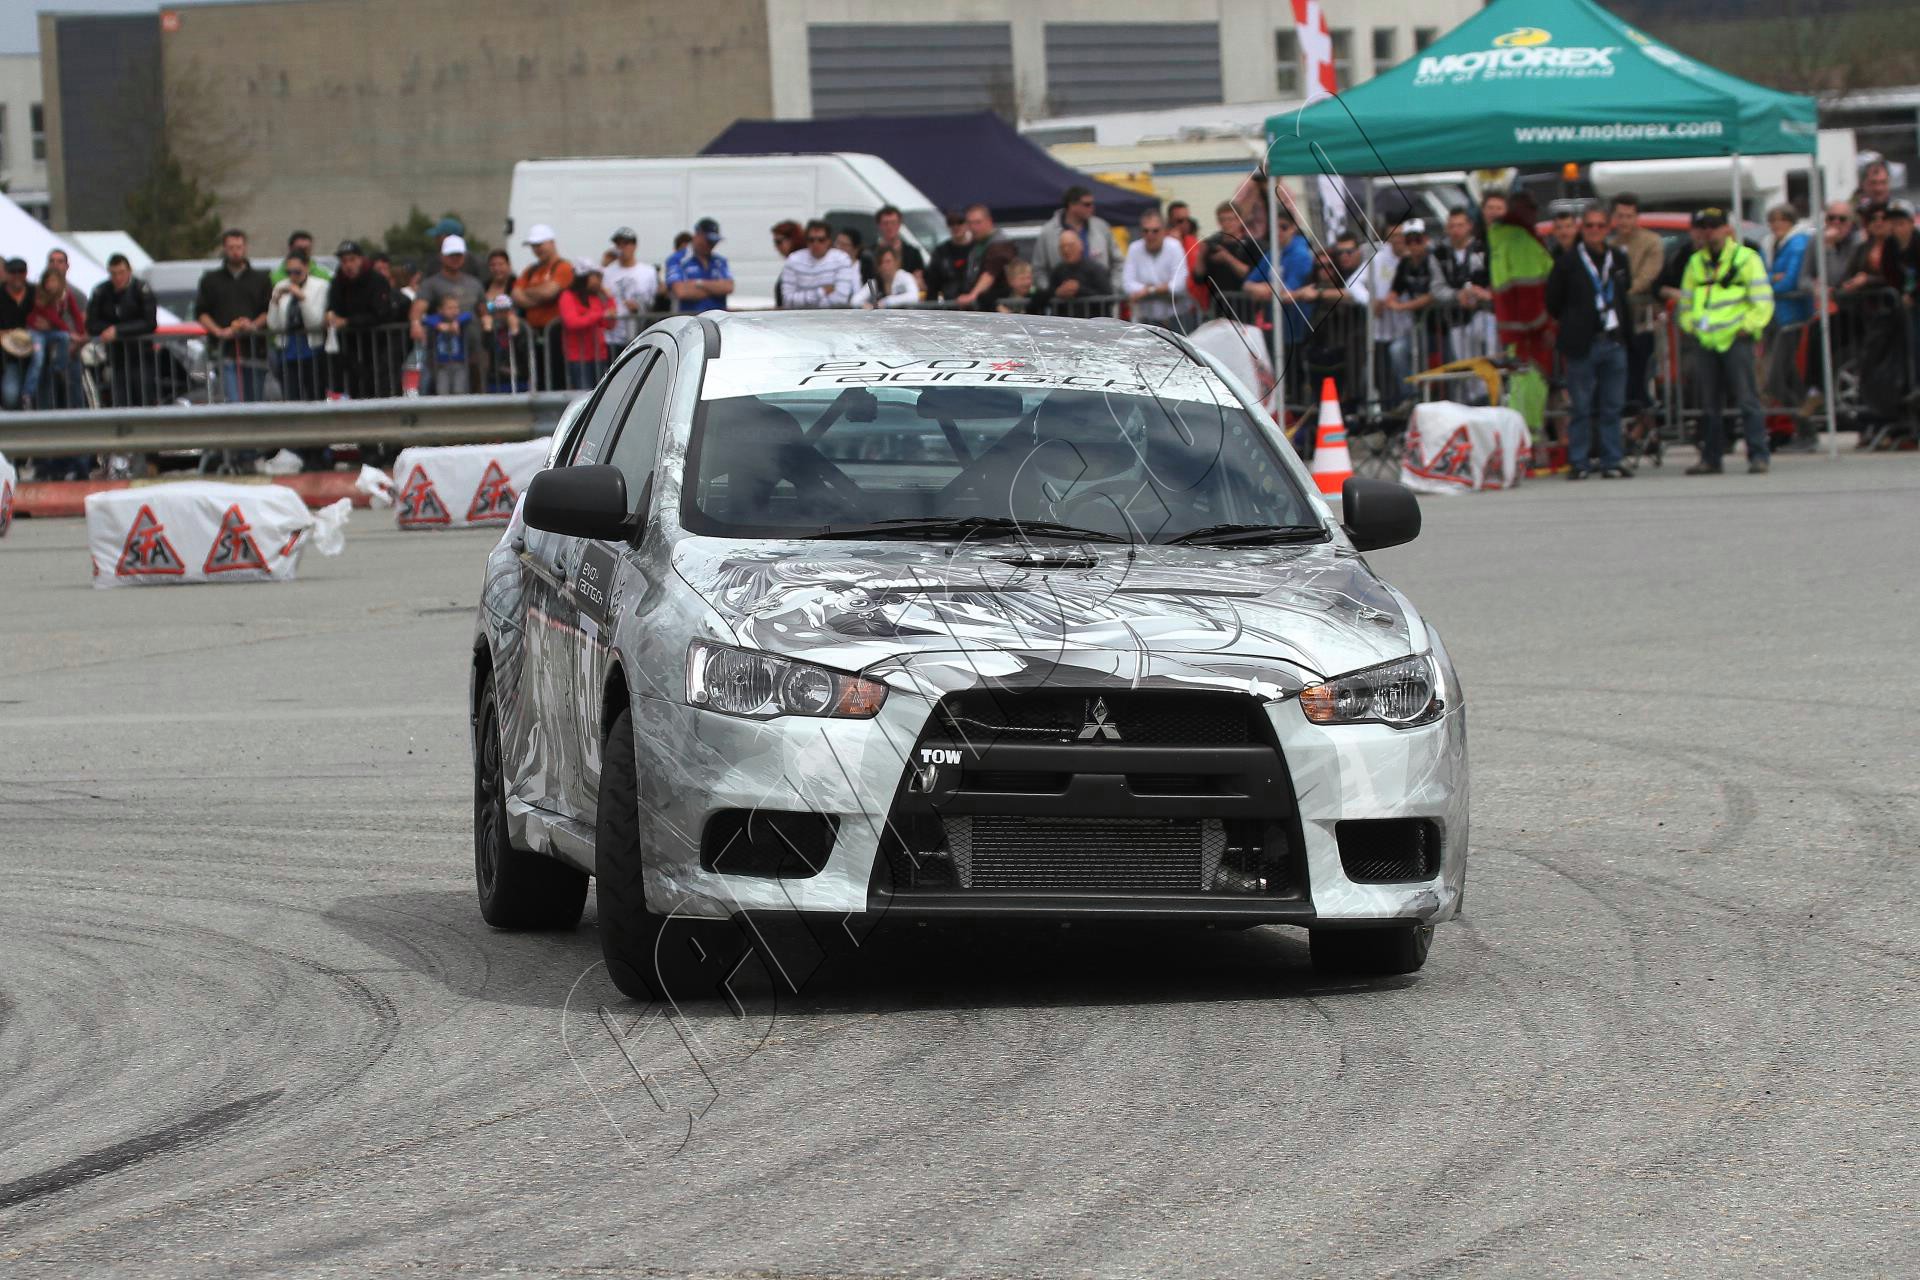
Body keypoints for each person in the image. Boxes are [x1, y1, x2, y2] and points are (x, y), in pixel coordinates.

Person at [1679, 208, 1773, 475]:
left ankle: (1758, 455)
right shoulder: (1695, 262)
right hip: (1706, 340)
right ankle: (1711, 457)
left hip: (1736, 338)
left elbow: (1762, 298)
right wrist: (1690, 326)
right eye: (1705, 227)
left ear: (1727, 230)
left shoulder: (1746, 258)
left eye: (1714, 226)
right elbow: (1686, 301)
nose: (1709, 232)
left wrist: (1748, 326)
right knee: (1708, 404)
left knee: (1747, 399)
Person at [1546, 206, 1635, 479]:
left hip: (1613, 340)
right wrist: (1574, 321)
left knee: (1612, 406)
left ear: (1608, 228)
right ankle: (1580, 461)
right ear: (1581, 229)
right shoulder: (1568, 261)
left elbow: (1624, 291)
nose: (1595, 230)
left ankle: (1611, 460)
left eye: (1600, 225)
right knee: (1581, 407)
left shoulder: (1617, 258)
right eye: (1589, 226)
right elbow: (1553, 301)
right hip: (1582, 344)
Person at [194, 228, 272, 403]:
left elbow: (269, 311)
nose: (235, 252)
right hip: (225, 352)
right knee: (233, 401)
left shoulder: (261, 279)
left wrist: (253, 325)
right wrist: (219, 332)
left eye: (239, 247)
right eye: (231, 248)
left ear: (245, 248)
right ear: (224, 249)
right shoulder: (210, 280)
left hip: (254, 352)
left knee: (255, 401)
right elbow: (201, 312)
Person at [1609, 193, 1664, 416]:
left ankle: (1645, 421)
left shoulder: (1651, 242)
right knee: (1620, 377)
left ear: (1636, 217)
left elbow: (1647, 277)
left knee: (1640, 374)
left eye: (1629, 216)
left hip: (1642, 320)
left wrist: (1620, 295)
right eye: (1620, 216)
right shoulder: (1609, 244)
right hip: (1616, 324)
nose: (1624, 221)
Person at [410, 233, 484, 394]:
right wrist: (415, 324)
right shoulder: (431, 284)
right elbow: (418, 308)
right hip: (442, 353)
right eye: (451, 255)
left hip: (473, 349)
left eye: (459, 255)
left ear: (464, 256)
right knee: (442, 391)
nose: (455, 259)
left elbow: (482, 308)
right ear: (442, 257)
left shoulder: (474, 283)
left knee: (476, 390)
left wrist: (488, 318)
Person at [326, 240, 398, 399]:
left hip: (377, 347)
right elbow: (333, 306)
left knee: (380, 389)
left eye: (352, 260)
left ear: (360, 259)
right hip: (351, 349)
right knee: (356, 389)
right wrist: (330, 314)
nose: (348, 265)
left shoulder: (376, 280)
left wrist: (348, 322)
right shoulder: (338, 282)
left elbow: (381, 314)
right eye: (344, 261)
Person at [85, 254, 159, 408]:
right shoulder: (101, 291)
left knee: (143, 398)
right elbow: (91, 323)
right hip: (115, 356)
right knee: (119, 400)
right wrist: (107, 330)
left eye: (121, 272)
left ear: (129, 271)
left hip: (140, 355)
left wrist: (119, 330)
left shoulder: (141, 289)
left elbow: (149, 322)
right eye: (113, 273)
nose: (118, 278)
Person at [1378, 219, 1437, 405]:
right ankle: (1411, 396)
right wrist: (1387, 301)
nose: (1413, 245)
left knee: (1451, 362)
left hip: (1441, 327)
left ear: (1425, 239)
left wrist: (1403, 306)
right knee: (1398, 351)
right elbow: (1395, 290)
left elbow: (1433, 294)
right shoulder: (1405, 264)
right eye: (1409, 241)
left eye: (1417, 240)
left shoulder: (1434, 259)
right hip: (1418, 326)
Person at [1763, 203, 1814, 410]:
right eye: (1773, 220)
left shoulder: (1798, 243)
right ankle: (1806, 415)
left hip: (1792, 317)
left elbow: (1791, 281)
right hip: (1775, 316)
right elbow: (1761, 275)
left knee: (1774, 379)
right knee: (1788, 375)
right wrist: (1771, 278)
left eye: (1782, 220)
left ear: (1792, 222)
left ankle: (1803, 417)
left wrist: (1767, 286)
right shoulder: (1770, 244)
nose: (1777, 224)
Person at [510, 223, 574, 388]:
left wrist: (528, 293)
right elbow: (516, 294)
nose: (537, 249)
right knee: (537, 377)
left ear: (551, 243)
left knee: (557, 376)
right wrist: (538, 295)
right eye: (534, 246)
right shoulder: (531, 270)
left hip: (556, 334)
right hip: (534, 333)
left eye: (540, 245)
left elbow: (550, 292)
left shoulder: (563, 267)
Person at [1433, 208, 1496, 373]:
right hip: (1456, 318)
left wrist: (1483, 293)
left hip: (1484, 312)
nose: (1456, 230)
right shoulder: (1439, 254)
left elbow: (1495, 277)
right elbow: (1437, 288)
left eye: (1460, 225)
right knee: (1466, 367)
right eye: (1452, 226)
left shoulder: (1483, 248)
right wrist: (1456, 295)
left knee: (1491, 356)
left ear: (1469, 226)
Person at [268, 251, 332, 402]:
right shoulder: (281, 286)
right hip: (288, 349)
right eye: (289, 272)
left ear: (307, 268)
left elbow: (315, 321)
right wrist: (275, 303)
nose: (293, 276)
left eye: (297, 271)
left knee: (315, 395)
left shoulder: (320, 286)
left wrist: (302, 298)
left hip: (312, 348)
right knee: (291, 396)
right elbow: (273, 325)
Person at [1031, 186, 1119, 290]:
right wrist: (1052, 293)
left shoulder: (1101, 227)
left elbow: (1118, 261)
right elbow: (1038, 270)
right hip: (1064, 297)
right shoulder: (1048, 232)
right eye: (1087, 204)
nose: (1092, 207)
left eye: (1092, 204)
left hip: (1101, 296)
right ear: (1072, 205)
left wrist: (1113, 288)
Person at [25, 263, 86, 411]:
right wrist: (71, 333)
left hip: (52, 331)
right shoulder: (41, 296)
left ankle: (58, 367)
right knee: (38, 357)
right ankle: (28, 392)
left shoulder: (66, 295)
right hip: (36, 331)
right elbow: (53, 318)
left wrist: (81, 332)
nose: (51, 285)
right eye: (48, 281)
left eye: (54, 281)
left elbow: (76, 314)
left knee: (64, 338)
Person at [1189, 201, 1262, 317]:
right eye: (1223, 220)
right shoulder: (1213, 245)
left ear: (1240, 220)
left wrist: (1227, 258)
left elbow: (1251, 274)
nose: (1227, 224)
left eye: (1230, 219)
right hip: (1218, 308)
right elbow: (1199, 278)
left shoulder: (1252, 245)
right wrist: (1201, 254)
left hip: (1245, 309)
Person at [1122, 211, 1190, 329]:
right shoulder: (1134, 248)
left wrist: (1149, 290)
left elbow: (1179, 285)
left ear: (1164, 231)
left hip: (1176, 318)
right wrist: (1163, 289)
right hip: (1146, 320)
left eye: (1155, 231)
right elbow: (1127, 285)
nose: (1150, 235)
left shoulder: (1174, 247)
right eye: (1145, 231)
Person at [595, 226, 657, 351]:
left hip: (640, 335)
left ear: (634, 246)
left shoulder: (648, 272)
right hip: (613, 337)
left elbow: (652, 303)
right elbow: (598, 296)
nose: (622, 248)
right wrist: (603, 263)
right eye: (618, 244)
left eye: (626, 244)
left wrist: (638, 307)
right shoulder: (607, 271)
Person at [780, 219, 860, 309]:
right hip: (800, 316)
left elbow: (840, 300)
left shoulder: (842, 259)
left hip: (831, 316)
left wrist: (806, 302)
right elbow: (787, 301)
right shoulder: (793, 260)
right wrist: (821, 292)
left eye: (821, 240)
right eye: (811, 240)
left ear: (829, 241)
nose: (816, 243)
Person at [558, 263, 611, 389]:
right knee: (585, 394)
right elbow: (572, 322)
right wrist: (599, 315)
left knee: (602, 392)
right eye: (595, 276)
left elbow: (608, 324)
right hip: (579, 357)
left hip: (599, 354)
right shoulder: (567, 296)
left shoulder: (595, 297)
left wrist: (609, 299)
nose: (598, 280)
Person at [664, 217, 732, 315]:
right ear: (697, 236)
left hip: (717, 320)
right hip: (689, 320)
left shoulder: (720, 261)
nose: (712, 245)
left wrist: (698, 283)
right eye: (708, 241)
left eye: (714, 241)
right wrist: (715, 290)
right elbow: (681, 291)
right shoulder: (677, 260)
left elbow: (728, 287)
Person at [954, 205, 1017, 308]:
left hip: (1000, 304)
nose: (973, 227)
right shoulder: (976, 244)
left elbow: (990, 273)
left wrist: (973, 295)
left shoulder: (1000, 244)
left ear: (989, 221)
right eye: (970, 223)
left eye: (978, 222)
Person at [481, 249, 524, 393]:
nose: (497, 268)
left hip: (511, 336)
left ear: (508, 265)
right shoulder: (484, 286)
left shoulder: (516, 284)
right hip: (491, 336)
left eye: (501, 264)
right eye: (493, 265)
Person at [1043, 231, 1112, 317]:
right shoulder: (1057, 271)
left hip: (1092, 321)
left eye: (1070, 245)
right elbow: (1044, 297)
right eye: (1062, 247)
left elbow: (1108, 298)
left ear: (1081, 246)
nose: (1066, 250)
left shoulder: (1096, 269)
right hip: (1065, 322)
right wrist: (1058, 293)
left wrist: (1079, 290)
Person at [1, 258, 36, 410]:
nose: (17, 276)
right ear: (6, 274)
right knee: (10, 395)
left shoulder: (36, 293)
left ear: (26, 273)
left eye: (21, 271)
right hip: (8, 355)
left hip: (35, 352)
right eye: (13, 272)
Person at [425, 291, 474, 395]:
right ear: (440, 310)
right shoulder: (438, 320)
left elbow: (468, 315)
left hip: (459, 363)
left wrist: (456, 322)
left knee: (459, 390)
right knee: (442, 391)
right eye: (450, 308)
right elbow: (426, 319)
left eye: (456, 308)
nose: (454, 311)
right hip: (441, 365)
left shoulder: (460, 320)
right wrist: (439, 325)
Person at [872, 205, 926, 296]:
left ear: (900, 224)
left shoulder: (913, 253)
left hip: (907, 301)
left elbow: (920, 282)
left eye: (893, 223)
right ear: (879, 225)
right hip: (879, 299)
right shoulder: (871, 253)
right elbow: (868, 281)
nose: (890, 227)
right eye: (886, 223)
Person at [925, 210, 974, 302]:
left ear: (967, 224)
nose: (956, 227)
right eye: (951, 223)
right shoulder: (941, 252)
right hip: (950, 304)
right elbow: (932, 283)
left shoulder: (976, 249)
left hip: (976, 304)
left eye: (960, 222)